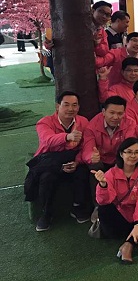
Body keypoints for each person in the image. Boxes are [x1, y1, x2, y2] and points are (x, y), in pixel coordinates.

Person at [25, 91, 90, 232]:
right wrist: (67, 137)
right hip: (50, 160)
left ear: (78, 107)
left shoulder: (83, 122)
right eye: (66, 105)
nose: (71, 109)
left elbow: (86, 146)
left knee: (83, 171)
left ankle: (77, 207)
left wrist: (77, 162)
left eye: (74, 105)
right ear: (57, 106)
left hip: (72, 159)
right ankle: (46, 213)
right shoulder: (45, 122)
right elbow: (47, 140)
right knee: (47, 177)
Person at [92, 138, 138, 264]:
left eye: (137, 152)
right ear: (121, 153)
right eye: (129, 152)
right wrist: (103, 185)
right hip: (118, 218)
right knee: (104, 208)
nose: (133, 156)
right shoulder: (111, 173)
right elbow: (104, 200)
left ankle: (128, 245)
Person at [82, 96, 137, 170]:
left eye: (120, 113)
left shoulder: (130, 123)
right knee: (94, 164)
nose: (115, 117)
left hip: (120, 159)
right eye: (112, 113)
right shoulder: (92, 126)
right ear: (103, 112)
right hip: (100, 160)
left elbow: (129, 145)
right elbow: (88, 148)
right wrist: (91, 156)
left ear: (124, 113)